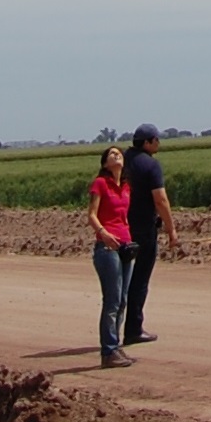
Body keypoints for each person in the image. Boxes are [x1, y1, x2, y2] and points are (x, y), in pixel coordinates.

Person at [123, 124, 179, 344]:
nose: (159, 143)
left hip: (119, 226)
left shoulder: (121, 160)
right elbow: (161, 200)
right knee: (140, 279)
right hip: (143, 228)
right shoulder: (151, 165)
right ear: (147, 142)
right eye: (156, 139)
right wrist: (171, 229)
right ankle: (133, 329)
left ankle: (110, 332)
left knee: (119, 280)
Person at [87, 146, 136, 368]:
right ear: (105, 163)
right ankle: (108, 351)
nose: (117, 156)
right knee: (112, 300)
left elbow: (124, 216)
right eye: (112, 155)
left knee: (123, 299)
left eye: (119, 154)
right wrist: (103, 233)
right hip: (107, 248)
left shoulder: (126, 186)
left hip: (125, 244)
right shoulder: (100, 184)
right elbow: (92, 215)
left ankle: (116, 347)